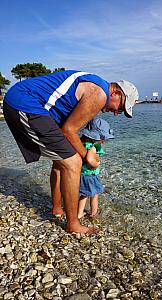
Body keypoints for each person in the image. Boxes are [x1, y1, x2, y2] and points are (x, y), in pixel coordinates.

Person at [3, 70, 139, 234]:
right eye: (121, 107)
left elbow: (67, 127)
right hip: (25, 103)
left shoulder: (95, 83)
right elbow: (69, 130)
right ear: (116, 93)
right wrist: (87, 156)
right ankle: (73, 224)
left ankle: (57, 208)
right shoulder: (99, 94)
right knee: (73, 162)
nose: (117, 113)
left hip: (24, 101)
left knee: (60, 161)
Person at [78, 118, 114, 219]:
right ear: (93, 137)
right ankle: (93, 214)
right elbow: (90, 159)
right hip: (90, 175)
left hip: (83, 174)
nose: (103, 140)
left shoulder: (83, 144)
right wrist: (96, 164)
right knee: (95, 195)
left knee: (84, 194)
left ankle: (80, 213)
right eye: (102, 138)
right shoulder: (92, 147)